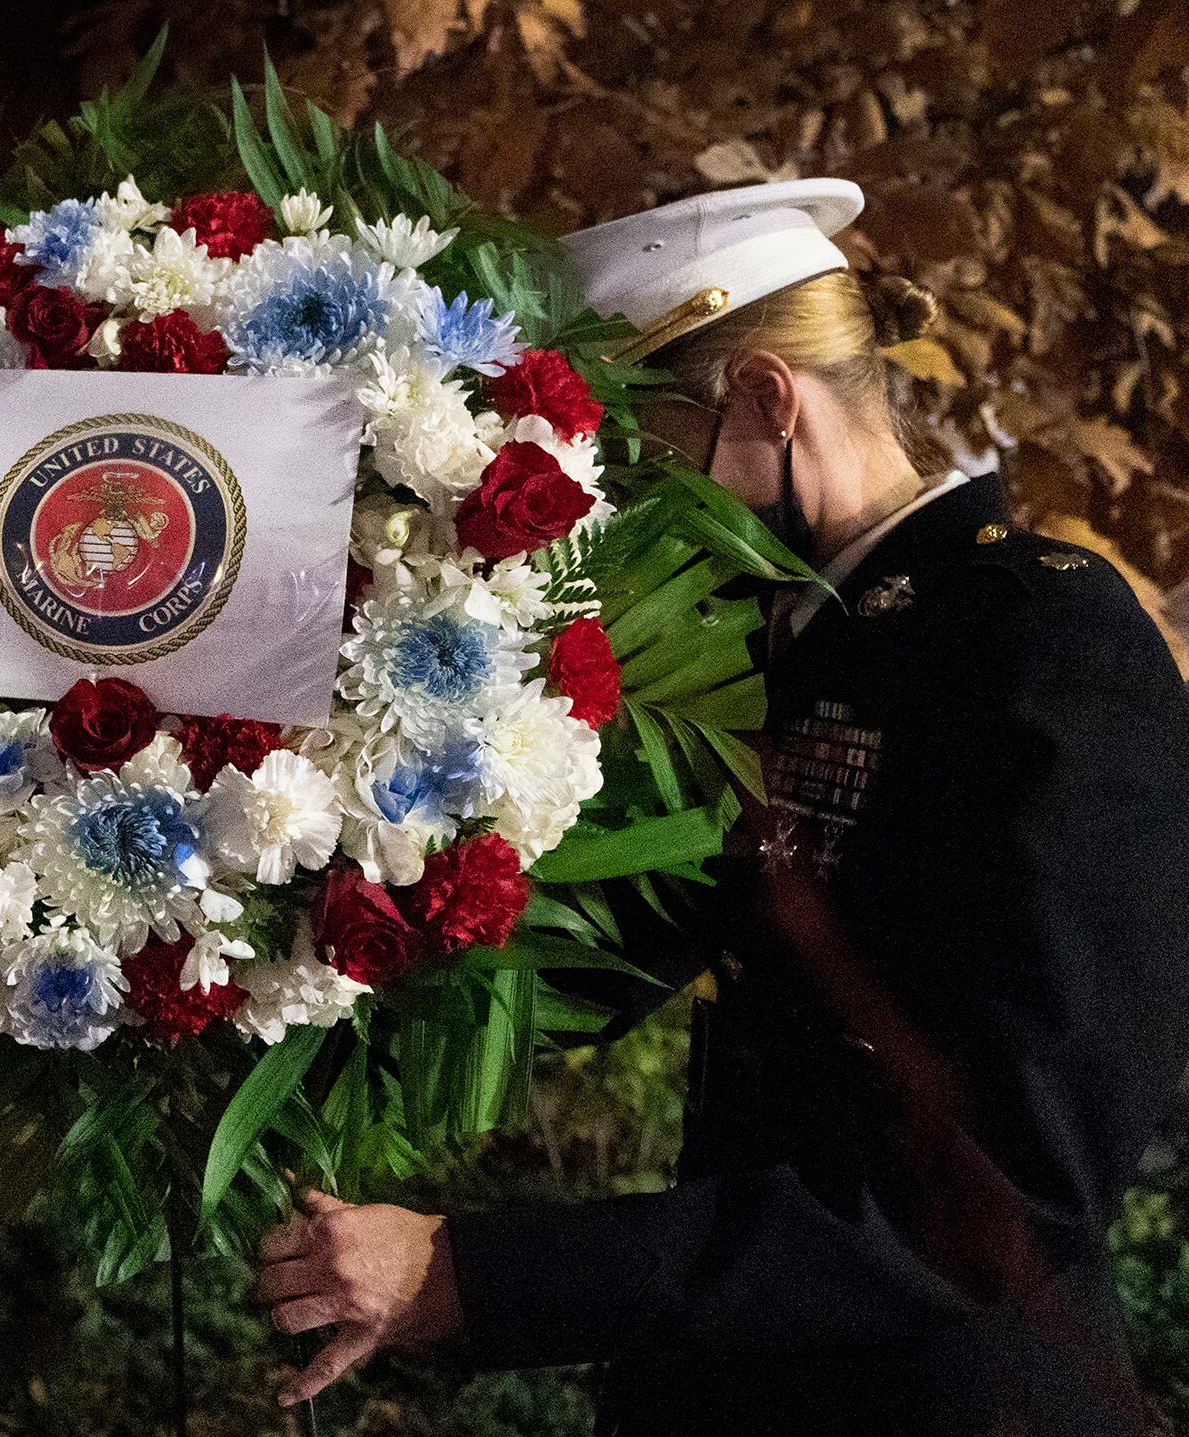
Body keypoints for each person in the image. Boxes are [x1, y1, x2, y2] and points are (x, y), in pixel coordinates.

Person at [253, 179, 1189, 1437]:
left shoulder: (1039, 639)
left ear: (762, 397)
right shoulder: (784, 637)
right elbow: (609, 946)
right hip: (734, 1378)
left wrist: (471, 1277)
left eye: (644, 463)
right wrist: (271, 993)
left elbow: (1015, 1186)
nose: (621, 512)